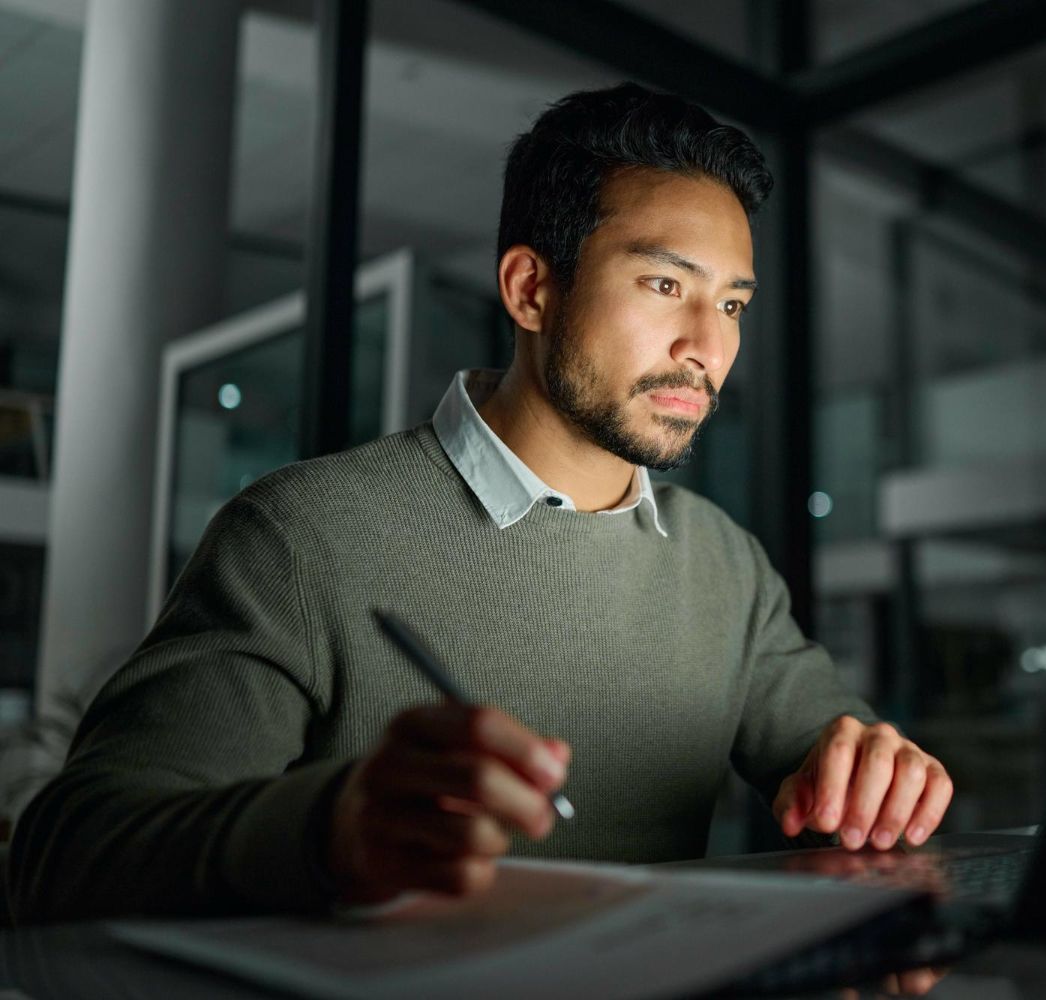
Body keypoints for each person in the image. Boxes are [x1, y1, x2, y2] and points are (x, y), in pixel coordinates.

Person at [7, 83, 953, 925]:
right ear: (531, 288)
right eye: (665, 284)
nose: (709, 345)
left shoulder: (726, 563)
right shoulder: (305, 535)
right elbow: (67, 850)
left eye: (734, 305)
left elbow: (842, 759)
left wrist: (878, 774)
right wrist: (330, 830)